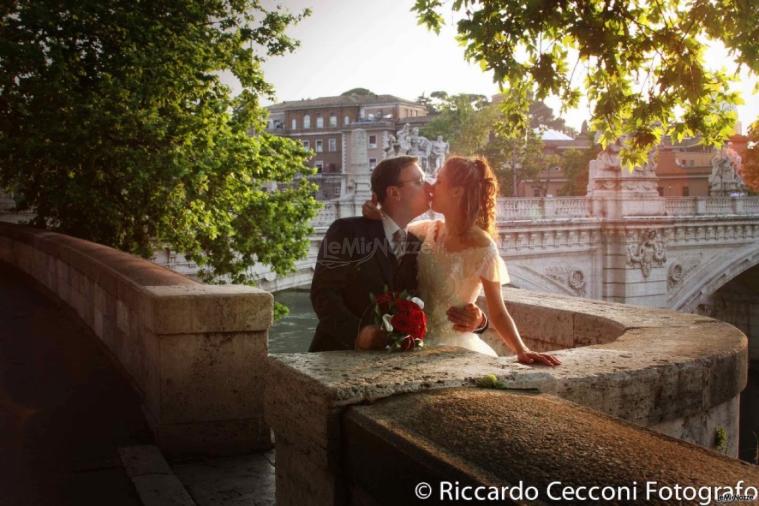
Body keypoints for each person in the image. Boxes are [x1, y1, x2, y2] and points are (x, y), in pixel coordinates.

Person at [364, 156, 560, 366]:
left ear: (456, 192)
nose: (431, 186)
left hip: (454, 348)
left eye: (438, 181)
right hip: (414, 344)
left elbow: (499, 312)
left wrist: (522, 349)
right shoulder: (429, 230)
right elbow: (395, 227)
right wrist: (379, 215)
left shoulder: (483, 248)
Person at [308, 156, 489, 352]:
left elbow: (437, 300)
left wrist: (480, 322)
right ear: (394, 193)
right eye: (419, 182)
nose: (429, 186)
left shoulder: (420, 243)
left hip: (393, 363)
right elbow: (323, 294)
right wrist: (358, 335)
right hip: (336, 355)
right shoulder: (347, 231)